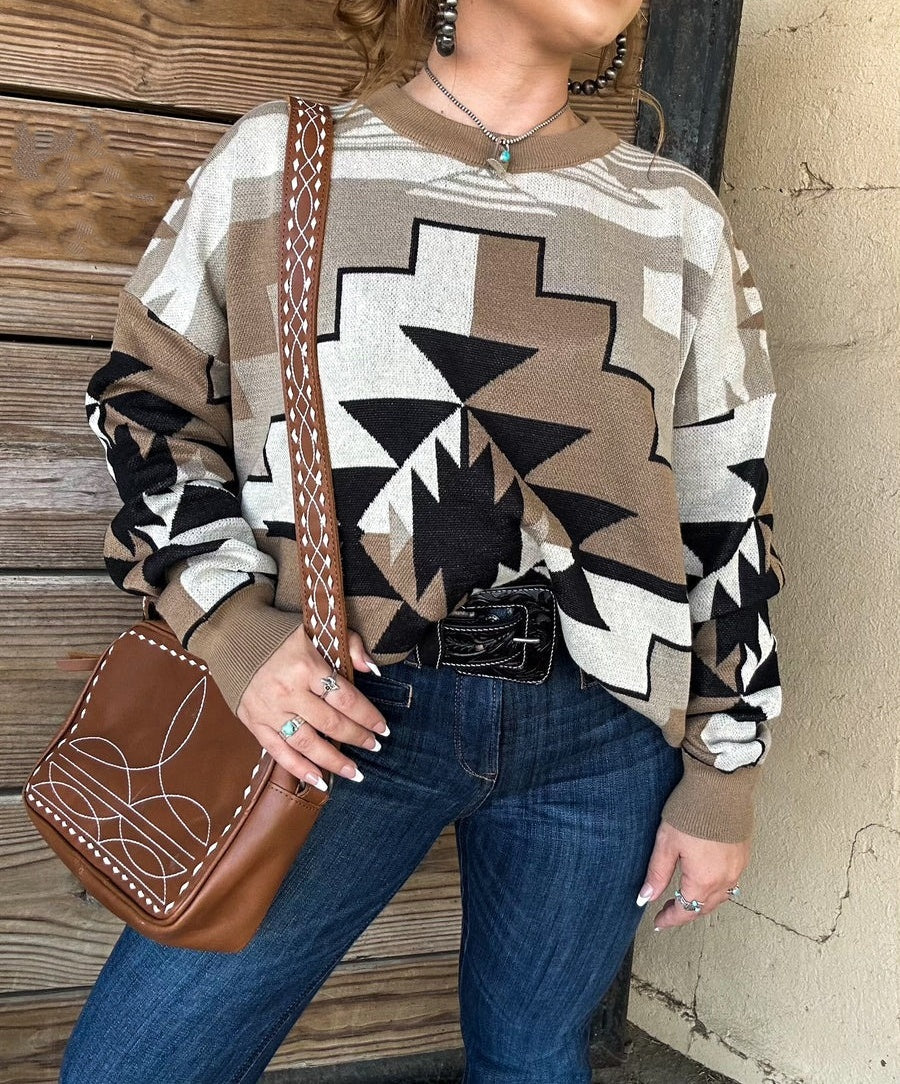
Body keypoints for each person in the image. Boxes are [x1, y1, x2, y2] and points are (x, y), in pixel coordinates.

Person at [59, 1, 786, 1081]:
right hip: (341, 708)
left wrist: (726, 772)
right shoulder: (281, 159)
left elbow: (726, 502)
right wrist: (230, 627)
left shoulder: (677, 216)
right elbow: (144, 405)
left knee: (536, 1058)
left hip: (603, 728)